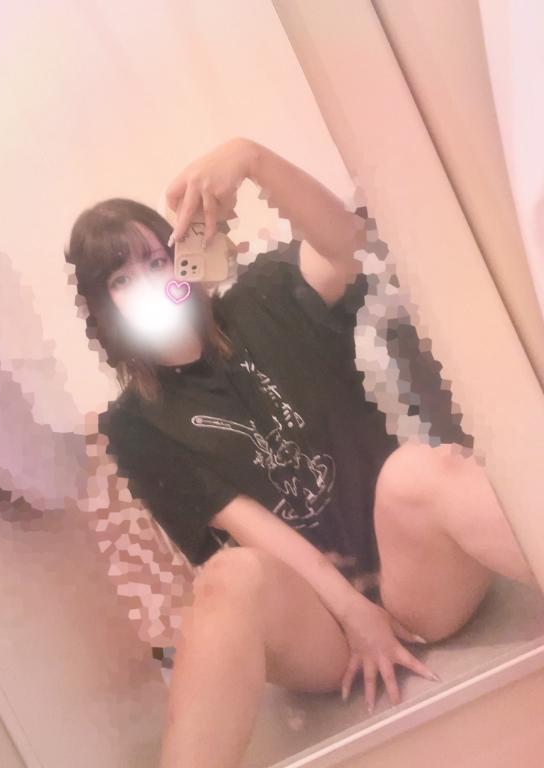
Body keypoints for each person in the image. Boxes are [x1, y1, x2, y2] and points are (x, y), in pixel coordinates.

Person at [65, 137, 537, 768]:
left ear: (185, 258)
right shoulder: (134, 424)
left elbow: (345, 244)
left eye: (156, 261)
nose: (148, 284)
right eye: (122, 280)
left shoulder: (265, 298)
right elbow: (249, 528)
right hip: (321, 633)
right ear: (104, 309)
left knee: (419, 470)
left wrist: (251, 159)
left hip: (415, 578)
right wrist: (353, 613)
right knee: (229, 576)